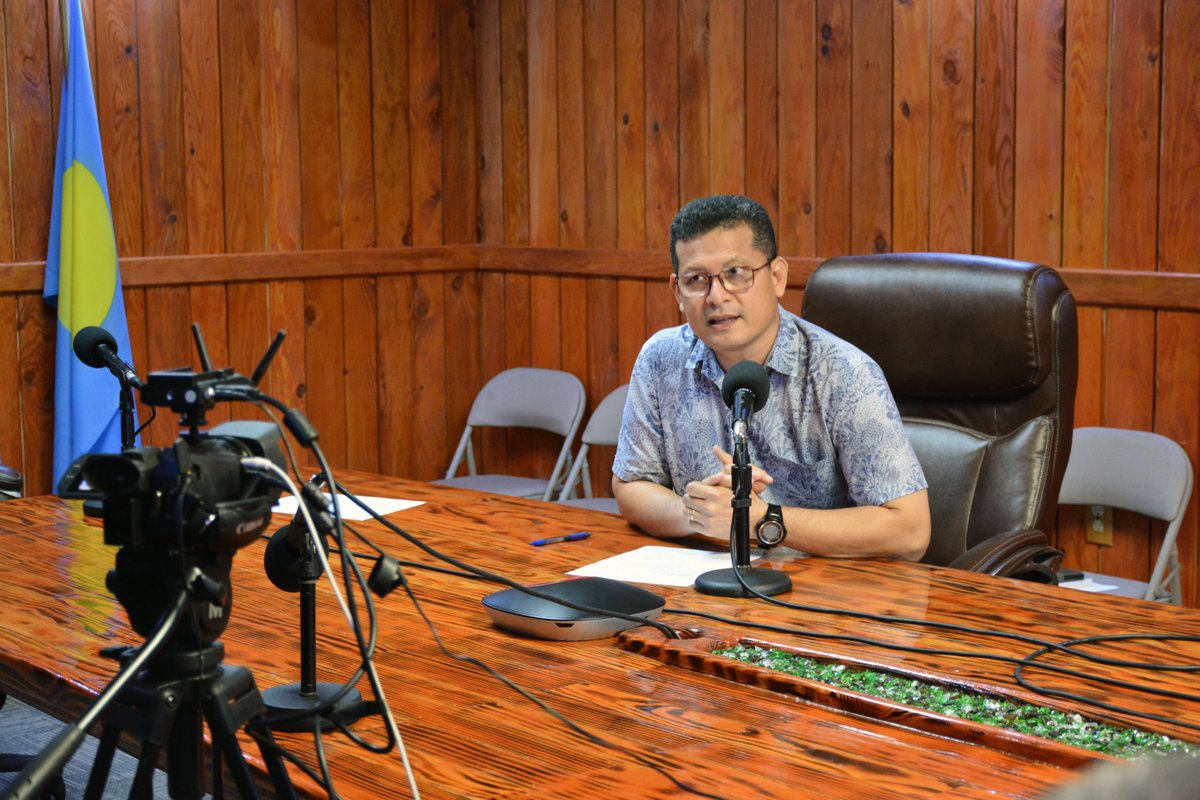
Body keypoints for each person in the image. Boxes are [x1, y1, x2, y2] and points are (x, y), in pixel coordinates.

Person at [611, 194, 930, 560]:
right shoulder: (661, 358)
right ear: (677, 292)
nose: (716, 297)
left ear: (777, 277)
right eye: (697, 279)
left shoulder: (843, 373)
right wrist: (701, 512)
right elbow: (632, 484)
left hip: (822, 593)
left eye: (735, 273)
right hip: (701, 583)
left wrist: (762, 520)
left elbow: (910, 530)